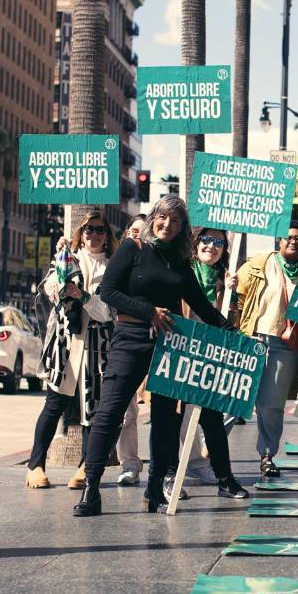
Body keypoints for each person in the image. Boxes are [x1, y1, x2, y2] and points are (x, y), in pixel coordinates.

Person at [72, 196, 229, 517]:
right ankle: (91, 488)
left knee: (165, 420)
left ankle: (155, 487)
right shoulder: (134, 249)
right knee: (110, 411)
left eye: (175, 221)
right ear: (153, 218)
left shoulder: (180, 261)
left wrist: (234, 332)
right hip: (130, 338)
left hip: (167, 344)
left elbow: (201, 305)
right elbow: (109, 292)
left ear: (183, 228)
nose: (167, 226)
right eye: (162, 218)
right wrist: (149, 311)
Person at [26, 210, 117, 489]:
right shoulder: (67, 259)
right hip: (65, 345)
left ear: (107, 235)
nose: (93, 234)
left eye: (99, 229)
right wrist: (59, 282)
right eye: (88, 229)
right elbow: (49, 290)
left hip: (97, 348)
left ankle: (85, 467)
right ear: (81, 233)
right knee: (53, 405)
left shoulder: (113, 267)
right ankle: (35, 466)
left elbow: (109, 311)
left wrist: (84, 296)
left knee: (93, 410)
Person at [230, 221, 298, 477]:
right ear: (279, 240)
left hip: (286, 346)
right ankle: (209, 452)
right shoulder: (259, 263)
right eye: (289, 237)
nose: (294, 241)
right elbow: (237, 296)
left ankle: (267, 455)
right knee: (234, 399)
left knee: (271, 405)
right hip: (253, 339)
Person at [173, 227, 248, 498]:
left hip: (209, 357)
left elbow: (232, 323)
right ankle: (170, 477)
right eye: (206, 240)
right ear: (195, 243)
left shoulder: (225, 281)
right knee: (173, 416)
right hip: (178, 352)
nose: (211, 246)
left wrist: (231, 297)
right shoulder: (181, 270)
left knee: (212, 419)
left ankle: (224, 478)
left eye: (218, 242)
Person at [115, 214, 148, 487]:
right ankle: (93, 469)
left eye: (143, 232)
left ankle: (133, 465)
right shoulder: (116, 260)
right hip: (108, 343)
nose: (138, 236)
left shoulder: (151, 263)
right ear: (127, 233)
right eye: (134, 231)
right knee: (116, 411)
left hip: (145, 340)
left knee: (132, 413)